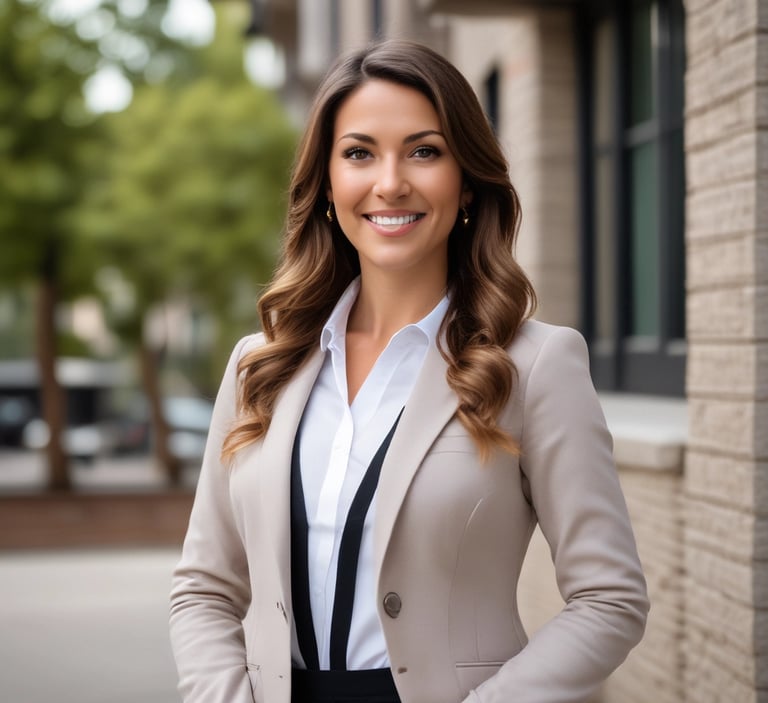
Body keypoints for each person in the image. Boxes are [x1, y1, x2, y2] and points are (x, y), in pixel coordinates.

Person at [169, 39, 649, 703]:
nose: (390, 182)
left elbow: (609, 598)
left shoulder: (536, 366)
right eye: (359, 153)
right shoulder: (261, 365)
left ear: (467, 182)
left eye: (424, 151)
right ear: (327, 185)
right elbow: (203, 588)